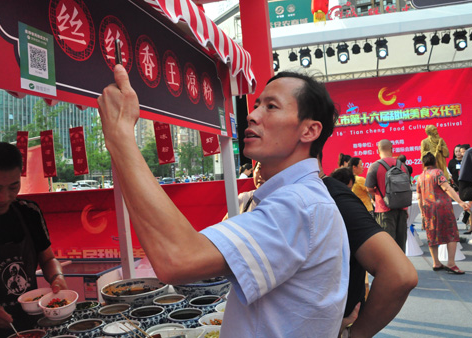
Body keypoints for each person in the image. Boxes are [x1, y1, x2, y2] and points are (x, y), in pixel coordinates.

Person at [97, 66, 350, 337]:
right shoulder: (302, 198)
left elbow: (178, 258)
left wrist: (120, 135)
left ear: (309, 130)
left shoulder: (299, 204)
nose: (252, 115)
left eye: (271, 107)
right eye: (256, 105)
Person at [318, 154, 417, 338]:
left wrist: (356, 334)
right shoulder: (401, 167)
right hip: (393, 212)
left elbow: (400, 275)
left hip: (380, 211)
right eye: (361, 164)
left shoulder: (335, 194)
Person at [0, 142, 68, 338]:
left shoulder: (28, 212)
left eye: (13, 186)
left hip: (31, 325)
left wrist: (57, 277)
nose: (4, 197)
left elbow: (48, 259)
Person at [416, 152, 470, 274]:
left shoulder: (420, 177)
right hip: (442, 208)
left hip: (428, 209)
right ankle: (451, 263)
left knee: (432, 235)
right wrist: (460, 202)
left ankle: (436, 262)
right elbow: (446, 188)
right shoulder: (438, 172)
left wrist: (422, 213)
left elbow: (419, 197)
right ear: (435, 162)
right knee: (451, 233)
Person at [365, 139, 409, 252]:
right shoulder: (402, 166)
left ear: (378, 150)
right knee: (401, 244)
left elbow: (369, 188)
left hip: (384, 210)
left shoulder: (374, 166)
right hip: (402, 209)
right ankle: (401, 268)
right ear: (392, 149)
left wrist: (377, 193)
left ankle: (390, 269)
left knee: (388, 246)